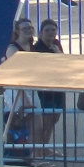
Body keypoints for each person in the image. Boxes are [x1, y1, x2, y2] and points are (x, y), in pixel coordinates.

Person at [28, 18, 65, 159]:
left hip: (57, 90)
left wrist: (58, 54)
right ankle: (39, 150)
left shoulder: (56, 45)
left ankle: (45, 146)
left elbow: (64, 63)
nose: (51, 33)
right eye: (47, 30)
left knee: (54, 119)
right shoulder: (38, 48)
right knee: (46, 120)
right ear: (41, 33)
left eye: (53, 30)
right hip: (45, 92)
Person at [2, 19, 36, 164]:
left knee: (35, 122)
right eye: (24, 28)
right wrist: (24, 97)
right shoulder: (12, 49)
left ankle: (31, 155)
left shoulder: (32, 46)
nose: (28, 30)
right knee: (17, 121)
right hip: (17, 88)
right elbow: (15, 74)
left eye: (30, 28)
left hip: (30, 87)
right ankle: (14, 156)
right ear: (17, 31)